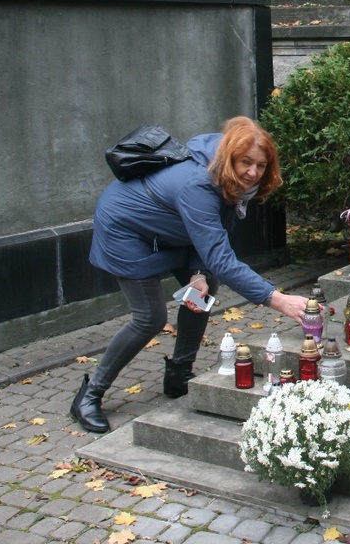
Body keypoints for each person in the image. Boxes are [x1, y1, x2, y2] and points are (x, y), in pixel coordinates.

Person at [71, 116, 309, 434]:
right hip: (125, 231)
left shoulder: (230, 182)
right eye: (245, 163)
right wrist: (277, 299)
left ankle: (179, 373)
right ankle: (90, 393)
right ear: (229, 157)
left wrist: (197, 274)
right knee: (150, 317)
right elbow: (222, 258)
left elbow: (212, 234)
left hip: (170, 231)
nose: (253, 173)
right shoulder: (199, 184)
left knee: (205, 287)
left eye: (261, 165)